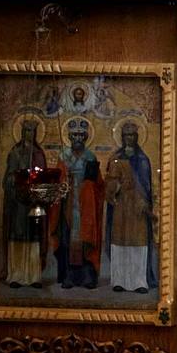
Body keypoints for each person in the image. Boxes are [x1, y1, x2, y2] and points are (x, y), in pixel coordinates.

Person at [103, 121, 157, 294]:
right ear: (122, 137)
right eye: (126, 135)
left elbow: (146, 185)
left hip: (138, 207)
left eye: (132, 135)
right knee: (120, 243)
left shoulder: (143, 159)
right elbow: (109, 182)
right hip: (120, 207)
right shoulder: (116, 157)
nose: (129, 138)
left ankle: (139, 281)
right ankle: (119, 280)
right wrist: (115, 185)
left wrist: (145, 203)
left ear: (137, 137)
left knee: (138, 243)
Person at [57, 118, 103, 289]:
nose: (77, 138)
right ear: (69, 137)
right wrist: (64, 179)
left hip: (85, 206)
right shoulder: (63, 156)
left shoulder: (90, 156)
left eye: (81, 135)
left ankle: (87, 276)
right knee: (67, 239)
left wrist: (88, 187)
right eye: (74, 135)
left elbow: (96, 183)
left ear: (85, 137)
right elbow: (58, 181)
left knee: (86, 238)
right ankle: (68, 276)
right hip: (68, 204)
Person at [2, 118, 46, 287]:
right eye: (27, 131)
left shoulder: (39, 153)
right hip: (19, 203)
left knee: (34, 238)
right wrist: (18, 178)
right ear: (22, 133)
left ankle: (33, 277)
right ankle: (16, 275)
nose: (30, 134)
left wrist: (39, 183)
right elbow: (8, 178)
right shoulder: (16, 152)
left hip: (34, 202)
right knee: (18, 236)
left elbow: (43, 176)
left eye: (33, 131)